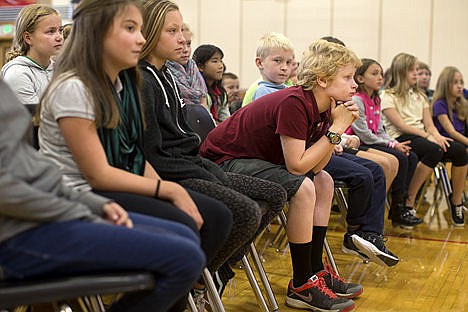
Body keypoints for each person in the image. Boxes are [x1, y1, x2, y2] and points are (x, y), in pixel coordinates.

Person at [36, 1, 232, 310]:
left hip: (108, 188)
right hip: (79, 198)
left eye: (140, 29)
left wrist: (168, 190)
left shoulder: (119, 83)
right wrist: (169, 189)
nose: (141, 39)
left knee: (198, 224)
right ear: (98, 34)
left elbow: (133, 154)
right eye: (130, 29)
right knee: (184, 240)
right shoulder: (75, 87)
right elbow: (97, 174)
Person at [0, 79, 206, 312]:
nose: (140, 40)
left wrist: (97, 205)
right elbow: (7, 191)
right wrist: (80, 212)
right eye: (133, 37)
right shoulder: (73, 88)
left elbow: (38, 172)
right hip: (17, 235)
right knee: (185, 257)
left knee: (183, 234)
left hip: (47, 215)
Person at [201, 39, 365, 312]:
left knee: (323, 181)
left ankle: (314, 272)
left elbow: (316, 167)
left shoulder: (325, 107)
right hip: (222, 162)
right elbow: (298, 167)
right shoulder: (295, 102)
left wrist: (335, 127)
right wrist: (337, 129)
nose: (354, 84)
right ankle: (302, 285)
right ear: (323, 80)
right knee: (303, 188)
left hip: (252, 162)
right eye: (347, 77)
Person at [138, 0, 286, 298]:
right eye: (172, 31)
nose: (182, 39)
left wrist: (206, 168)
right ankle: (195, 282)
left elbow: (183, 142)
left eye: (182, 30)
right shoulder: (143, 80)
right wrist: (206, 171)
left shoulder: (166, 75)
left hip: (191, 164)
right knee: (243, 211)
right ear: (151, 33)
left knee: (275, 193)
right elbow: (155, 155)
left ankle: (215, 271)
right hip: (174, 174)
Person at [381, 53, 467, 227]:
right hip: (400, 137)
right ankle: (409, 202)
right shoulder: (388, 96)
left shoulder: (420, 96)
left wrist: (437, 136)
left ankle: (456, 201)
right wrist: (429, 137)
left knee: (458, 150)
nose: (416, 74)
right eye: (412, 70)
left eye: (417, 70)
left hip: (422, 136)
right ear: (400, 71)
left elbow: (429, 124)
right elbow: (402, 126)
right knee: (433, 149)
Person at [348, 58, 422, 228]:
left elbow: (381, 130)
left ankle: (399, 205)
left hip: (373, 140)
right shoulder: (358, 100)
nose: (380, 77)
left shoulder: (376, 99)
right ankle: (394, 207)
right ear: (360, 78)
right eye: (375, 74)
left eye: (381, 73)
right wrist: (391, 146)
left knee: (408, 155)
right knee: (399, 158)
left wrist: (395, 143)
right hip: (358, 142)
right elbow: (365, 134)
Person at [0, 4, 63, 104]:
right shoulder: (17, 74)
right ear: (28, 38)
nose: (59, 37)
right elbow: (33, 118)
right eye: (51, 31)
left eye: (60, 30)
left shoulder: (59, 69)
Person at [431, 66, 468, 219]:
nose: (460, 86)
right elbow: (451, 132)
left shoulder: (462, 103)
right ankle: (456, 201)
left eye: (461, 82)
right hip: (445, 143)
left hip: (460, 144)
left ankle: (458, 189)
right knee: (462, 151)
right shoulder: (439, 104)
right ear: (446, 84)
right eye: (455, 82)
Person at [166, 22, 208, 107]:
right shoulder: (165, 71)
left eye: (188, 44)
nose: (186, 50)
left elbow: (203, 101)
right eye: (180, 44)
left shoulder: (193, 67)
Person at [250, 32, 294, 102]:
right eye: (277, 61)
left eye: (288, 62)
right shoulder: (263, 92)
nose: (285, 68)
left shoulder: (290, 89)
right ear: (260, 63)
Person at [192, 44, 230, 123]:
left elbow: (226, 120)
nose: (221, 66)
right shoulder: (196, 91)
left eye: (221, 61)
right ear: (200, 67)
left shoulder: (220, 92)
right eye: (215, 61)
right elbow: (206, 122)